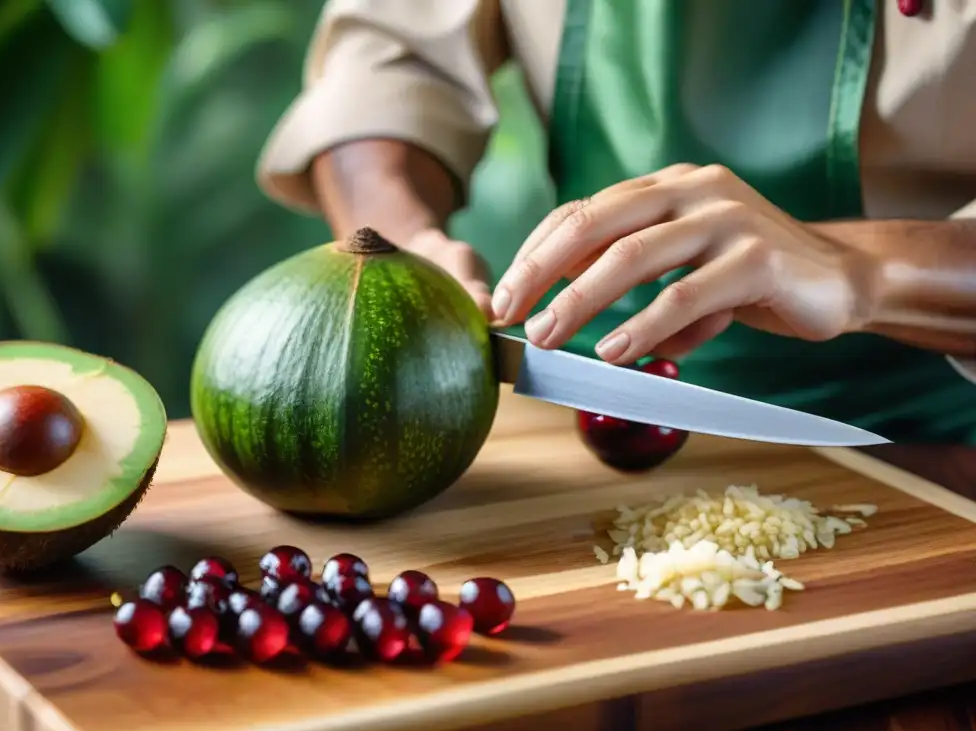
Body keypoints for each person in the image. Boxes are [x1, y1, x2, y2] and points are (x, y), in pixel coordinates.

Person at [255, 0, 976, 443]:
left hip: (942, 451)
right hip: (594, 406)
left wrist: (860, 270)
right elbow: (383, 60)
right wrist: (401, 242)